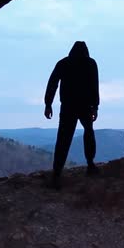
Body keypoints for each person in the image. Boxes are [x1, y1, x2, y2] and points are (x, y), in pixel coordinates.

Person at [44, 41, 100, 189]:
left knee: (63, 138)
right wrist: (95, 107)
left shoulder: (64, 63)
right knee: (88, 133)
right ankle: (90, 164)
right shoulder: (90, 63)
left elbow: (53, 84)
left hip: (68, 106)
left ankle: (57, 174)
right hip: (85, 106)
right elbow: (95, 86)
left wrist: (48, 104)